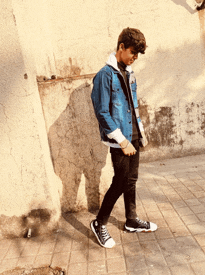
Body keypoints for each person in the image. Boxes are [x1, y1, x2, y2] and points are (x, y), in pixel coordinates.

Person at [90, 27, 157, 249]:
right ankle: (99, 223)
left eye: (138, 55)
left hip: (133, 136)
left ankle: (131, 220)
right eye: (132, 53)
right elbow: (102, 112)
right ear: (121, 47)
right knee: (119, 181)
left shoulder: (129, 73)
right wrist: (122, 140)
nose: (135, 58)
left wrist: (140, 134)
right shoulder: (104, 75)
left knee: (131, 179)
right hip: (119, 138)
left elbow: (133, 106)